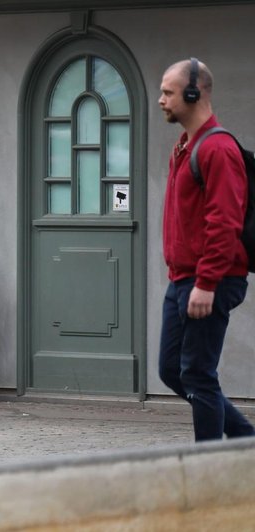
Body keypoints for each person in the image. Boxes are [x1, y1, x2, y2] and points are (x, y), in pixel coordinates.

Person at [157, 58, 255, 441]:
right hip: (183, 279)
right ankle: (246, 441)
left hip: (210, 280)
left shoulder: (217, 149)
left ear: (194, 93)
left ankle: (210, 471)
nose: (162, 99)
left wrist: (207, 283)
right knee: (172, 369)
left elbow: (225, 222)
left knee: (197, 373)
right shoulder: (185, 146)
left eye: (169, 91)